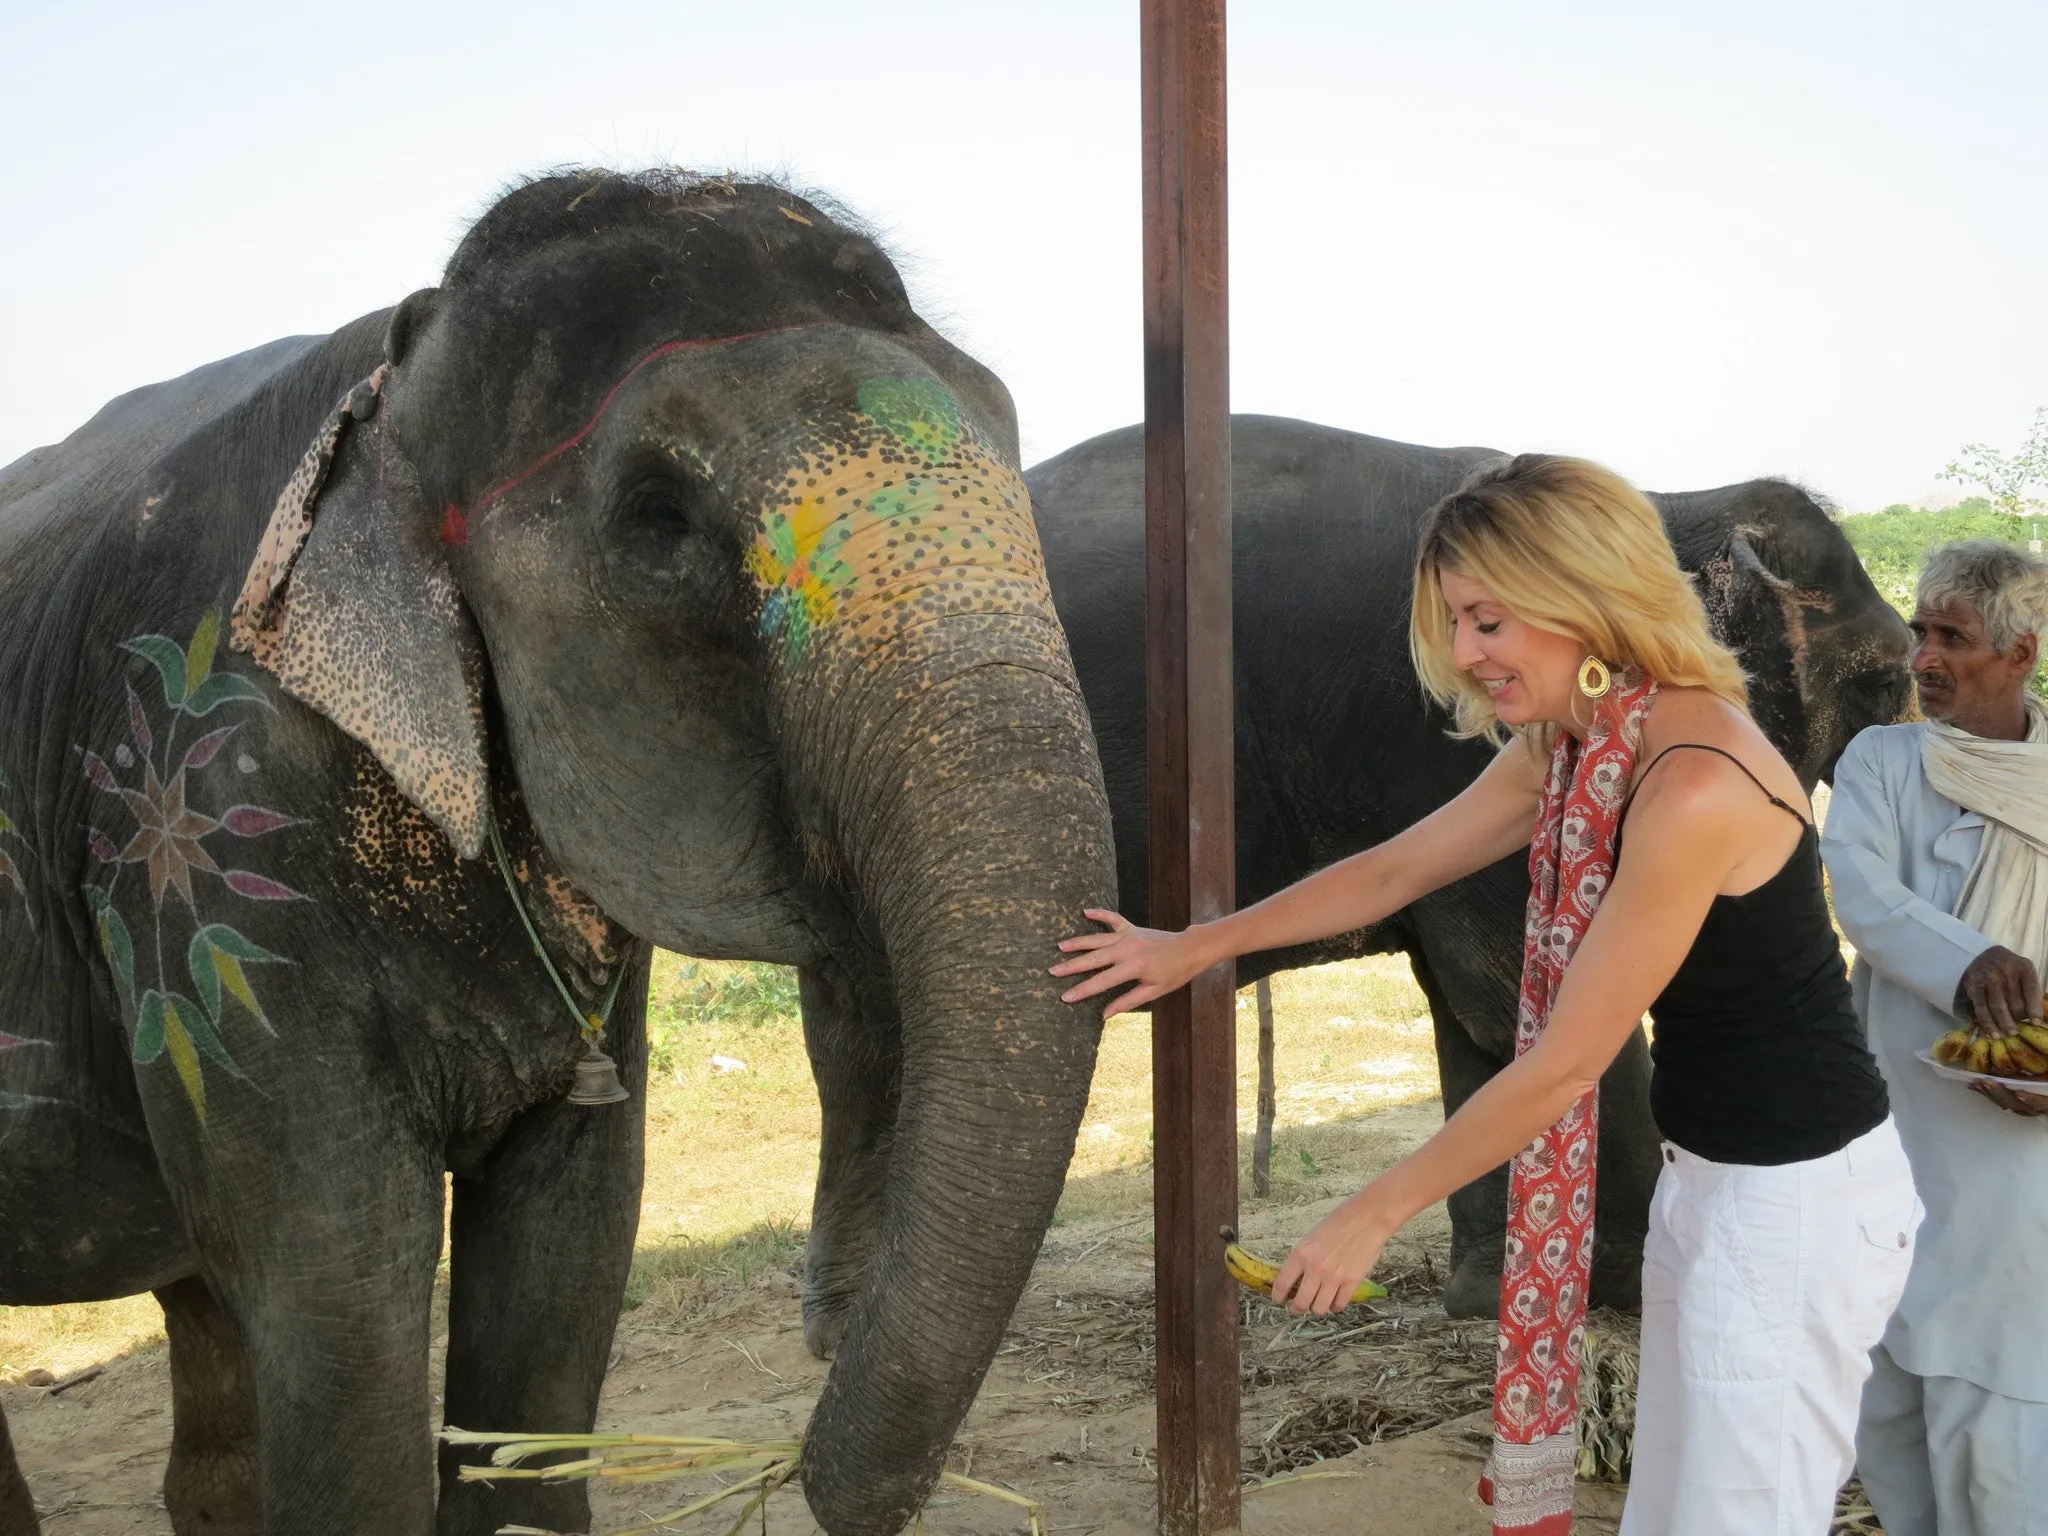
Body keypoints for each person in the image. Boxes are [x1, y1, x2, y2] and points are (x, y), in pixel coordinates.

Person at [1053, 453, 1917, 1536]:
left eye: (1487, 621)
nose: (1464, 654)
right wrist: (1194, 948)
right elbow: (1390, 871)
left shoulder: (1691, 779)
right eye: (1457, 623)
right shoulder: (1579, 743)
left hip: (1795, 1207)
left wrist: (1370, 1214)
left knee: (1734, 1518)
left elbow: (1564, 1063)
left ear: (1582, 596)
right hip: (1716, 1182)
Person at [1818, 538, 2048, 1536]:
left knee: (1999, 1381)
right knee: (1890, 1366)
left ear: (2018, 654)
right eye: (1920, 632)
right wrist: (1969, 961)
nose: (1923, 656)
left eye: (1950, 638)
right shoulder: (1882, 760)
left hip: (2019, 1137)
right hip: (1895, 1116)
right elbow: (1859, 893)